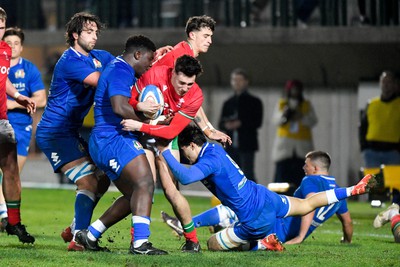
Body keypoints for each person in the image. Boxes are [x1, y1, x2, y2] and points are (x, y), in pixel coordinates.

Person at [156, 124, 376, 251]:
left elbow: (185, 177)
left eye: (185, 152)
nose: (186, 158)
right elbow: (190, 169)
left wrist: (164, 151)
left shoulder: (208, 160)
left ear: (192, 145)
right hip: (265, 197)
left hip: (254, 219)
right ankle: (352, 189)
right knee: (306, 204)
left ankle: (261, 244)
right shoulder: (213, 151)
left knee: (212, 244)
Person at [124, 15, 231, 253]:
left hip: (160, 128)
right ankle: (147, 239)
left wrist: (207, 128)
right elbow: (149, 79)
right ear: (191, 35)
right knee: (151, 186)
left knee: (156, 187)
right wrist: (207, 129)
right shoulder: (180, 57)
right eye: (206, 35)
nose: (210, 40)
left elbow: (188, 99)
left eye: (211, 36)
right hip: (150, 124)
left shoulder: (186, 60)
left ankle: (168, 239)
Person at [97, 54, 204, 253]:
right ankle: (137, 241)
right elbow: (128, 100)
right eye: (182, 82)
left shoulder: (195, 95)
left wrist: (143, 124)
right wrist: (139, 106)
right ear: (172, 73)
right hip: (143, 138)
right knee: (144, 187)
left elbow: (172, 131)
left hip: (165, 139)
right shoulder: (154, 74)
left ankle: (192, 240)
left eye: (190, 84)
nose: (185, 88)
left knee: (172, 191)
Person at [75, 35, 167, 255]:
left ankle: (89, 235)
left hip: (105, 140)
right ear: (137, 55)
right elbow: (118, 106)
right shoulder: (121, 70)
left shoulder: (119, 67)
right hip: (112, 139)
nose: (148, 66)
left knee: (134, 195)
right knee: (145, 182)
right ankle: (140, 244)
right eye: (148, 59)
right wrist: (145, 120)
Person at [35, 12, 115, 251]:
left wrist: (155, 58)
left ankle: (74, 226)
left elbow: (124, 65)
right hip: (54, 132)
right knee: (89, 182)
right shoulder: (70, 61)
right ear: (74, 35)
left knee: (102, 179)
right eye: (89, 32)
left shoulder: (98, 56)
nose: (94, 37)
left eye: (96, 32)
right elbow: (103, 81)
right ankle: (79, 239)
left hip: (69, 132)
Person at [162, 150, 354, 245]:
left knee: (216, 241)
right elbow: (347, 223)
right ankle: (206, 227)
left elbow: (309, 206)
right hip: (281, 222)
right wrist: (346, 241)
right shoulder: (336, 193)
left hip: (278, 227)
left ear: (315, 168)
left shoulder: (310, 181)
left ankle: (257, 244)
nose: (303, 167)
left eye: (306, 164)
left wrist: (300, 237)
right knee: (239, 214)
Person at [0, 6, 36, 244]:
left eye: (1, 27)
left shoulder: (4, 50)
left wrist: (17, 96)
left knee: (11, 169)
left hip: (2, 119)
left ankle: (13, 222)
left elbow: (2, 79)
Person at [5, 27, 47, 172]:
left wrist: (13, 104)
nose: (12, 46)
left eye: (16, 43)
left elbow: (41, 100)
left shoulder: (29, 69)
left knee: (12, 175)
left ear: (21, 47)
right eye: (8, 42)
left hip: (20, 126)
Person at [359, 70, 400, 205]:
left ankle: (394, 206)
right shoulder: (372, 103)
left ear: (394, 85)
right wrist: (363, 146)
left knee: (394, 182)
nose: (386, 85)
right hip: (372, 150)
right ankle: (375, 204)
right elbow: (363, 126)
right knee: (375, 182)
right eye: (384, 82)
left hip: (393, 150)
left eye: (389, 82)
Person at [271, 79, 317, 195]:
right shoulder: (282, 103)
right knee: (282, 177)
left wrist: (300, 116)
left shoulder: (306, 105)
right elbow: (276, 120)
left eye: (297, 89)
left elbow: (313, 120)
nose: (295, 92)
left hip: (301, 148)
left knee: (300, 175)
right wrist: (286, 115)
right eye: (292, 89)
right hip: (284, 148)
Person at [218, 68, 263, 182]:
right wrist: (227, 125)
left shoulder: (254, 102)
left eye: (239, 80)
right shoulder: (228, 102)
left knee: (248, 173)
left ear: (246, 81)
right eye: (234, 80)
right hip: (231, 144)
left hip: (247, 143)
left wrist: (241, 123)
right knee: (232, 173)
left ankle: (253, 198)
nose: (236, 83)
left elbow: (257, 122)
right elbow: (221, 123)